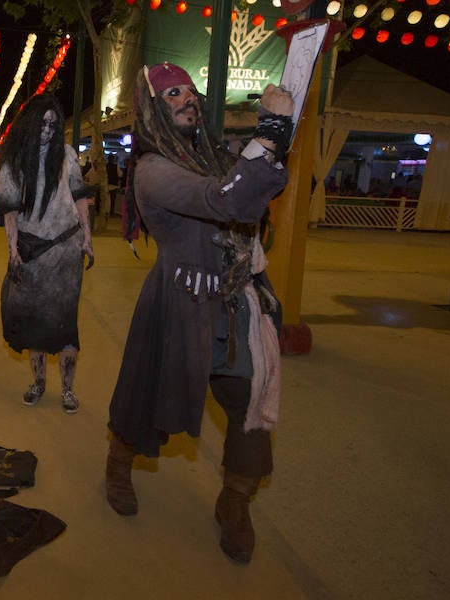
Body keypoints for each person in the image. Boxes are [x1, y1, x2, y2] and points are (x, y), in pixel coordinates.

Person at [105, 63, 293, 564]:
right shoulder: (153, 170)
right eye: (172, 94)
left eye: (189, 91)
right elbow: (222, 198)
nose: (186, 99)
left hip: (237, 305)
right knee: (147, 399)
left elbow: (258, 186)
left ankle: (234, 505)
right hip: (181, 303)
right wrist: (270, 132)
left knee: (251, 406)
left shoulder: (212, 154)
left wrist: (275, 139)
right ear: (153, 110)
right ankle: (119, 465)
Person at [0, 94, 93, 414]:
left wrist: (87, 236)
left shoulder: (67, 155)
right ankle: (38, 383)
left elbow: (79, 197)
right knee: (33, 321)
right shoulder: (15, 160)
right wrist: (12, 251)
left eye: (53, 124)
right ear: (31, 123)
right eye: (42, 123)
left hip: (66, 253)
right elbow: (8, 210)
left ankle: (67, 389)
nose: (47, 130)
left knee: (65, 323)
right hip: (31, 252)